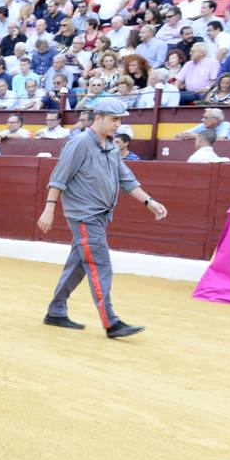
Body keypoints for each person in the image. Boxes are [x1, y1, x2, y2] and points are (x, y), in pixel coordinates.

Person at [38, 97, 169, 338]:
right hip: (84, 215)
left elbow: (126, 179)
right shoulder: (79, 143)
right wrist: (49, 207)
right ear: (98, 118)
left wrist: (149, 202)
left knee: (78, 264)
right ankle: (111, 322)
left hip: (101, 215)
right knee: (100, 264)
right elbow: (59, 177)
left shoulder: (110, 146)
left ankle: (56, 311)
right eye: (114, 119)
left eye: (120, 120)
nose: (118, 124)